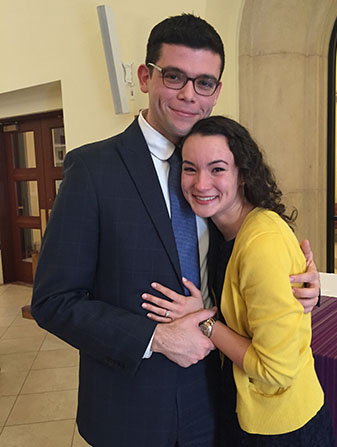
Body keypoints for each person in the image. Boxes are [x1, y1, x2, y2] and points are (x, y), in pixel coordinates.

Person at [31, 14, 320, 447]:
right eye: (174, 77)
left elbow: (252, 258)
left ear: (217, 91)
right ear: (146, 76)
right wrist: (155, 337)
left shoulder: (214, 173)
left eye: (204, 82)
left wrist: (302, 286)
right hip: (133, 407)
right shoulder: (93, 169)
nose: (189, 95)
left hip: (217, 397)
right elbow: (53, 301)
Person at [142, 116, 335, 447]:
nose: (201, 184)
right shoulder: (219, 230)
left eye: (217, 169)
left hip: (281, 426)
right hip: (239, 407)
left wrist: (204, 322)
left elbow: (277, 370)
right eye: (190, 169)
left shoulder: (262, 243)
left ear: (243, 173)